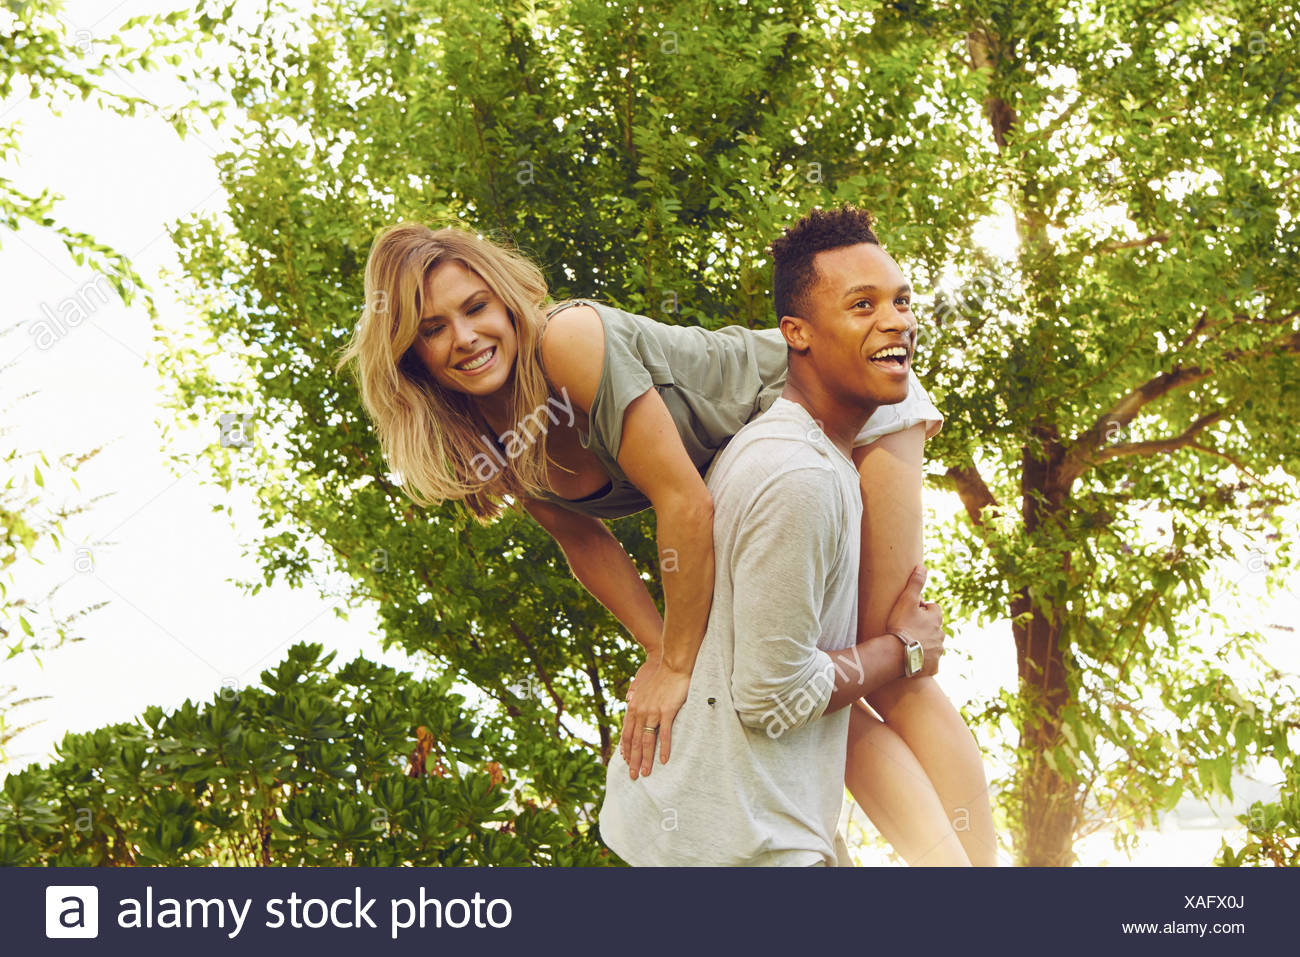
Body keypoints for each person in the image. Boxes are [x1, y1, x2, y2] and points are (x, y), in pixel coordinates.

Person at [336, 206, 996, 865]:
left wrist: (680, 664)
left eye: (476, 306)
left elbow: (683, 501)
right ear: (411, 352)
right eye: (433, 328)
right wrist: (663, 651)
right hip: (778, 479)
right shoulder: (483, 434)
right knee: (823, 689)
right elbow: (586, 542)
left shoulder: (570, 341)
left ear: (507, 303)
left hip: (853, 403)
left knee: (890, 666)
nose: (465, 336)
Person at [599, 228, 946, 865]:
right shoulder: (801, 477)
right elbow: (773, 696)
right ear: (796, 332)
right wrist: (903, 652)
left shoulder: (798, 451)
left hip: (710, 832)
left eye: (901, 301)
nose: (896, 321)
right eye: (862, 305)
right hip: (731, 850)